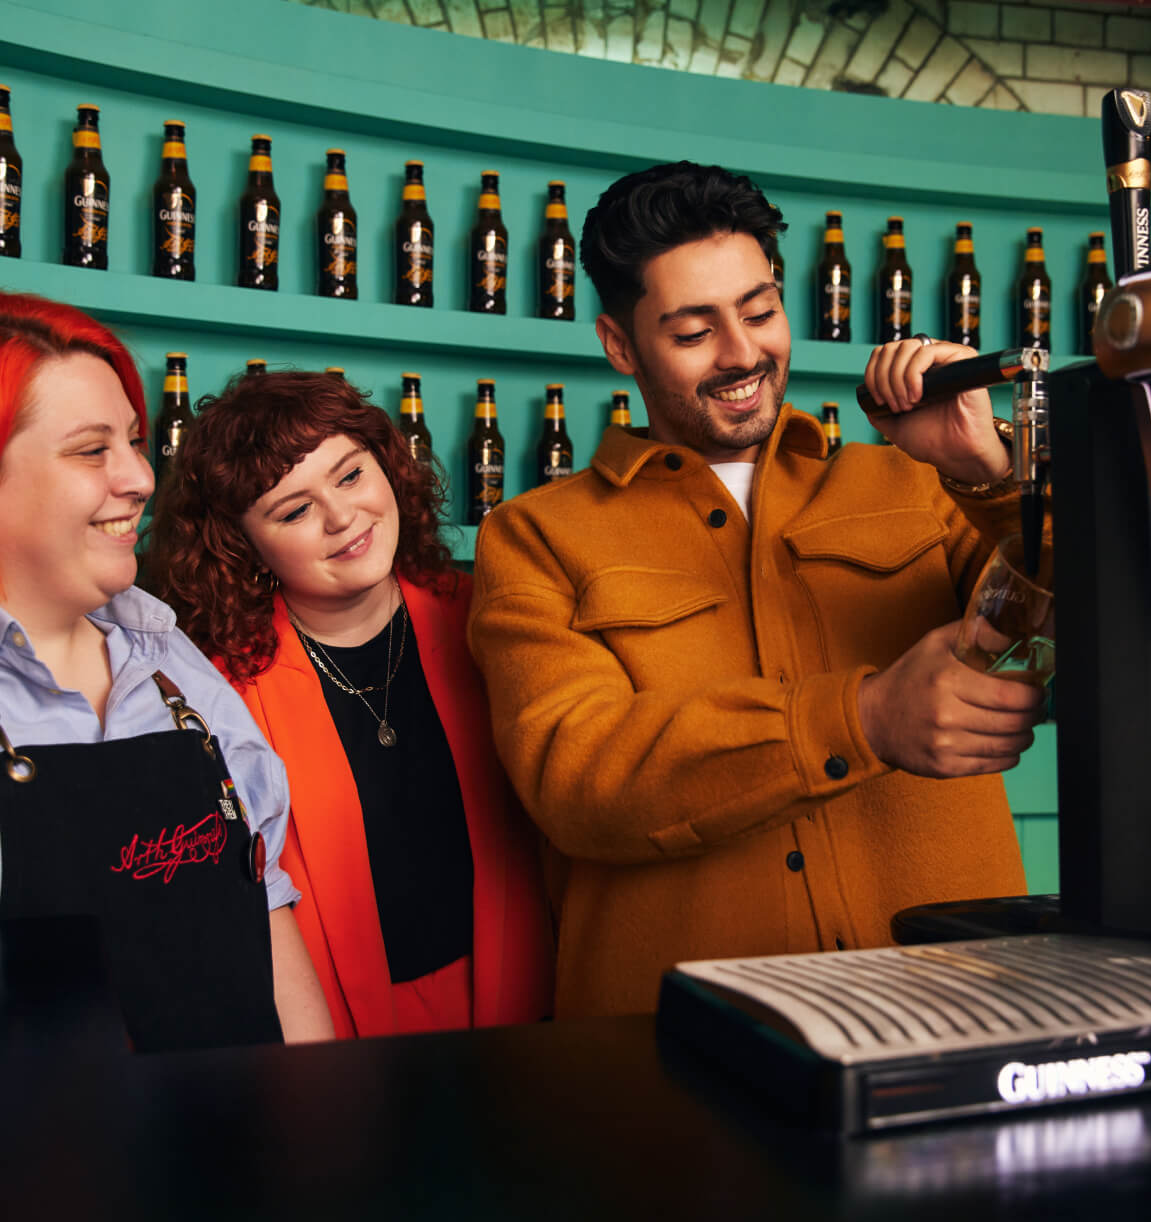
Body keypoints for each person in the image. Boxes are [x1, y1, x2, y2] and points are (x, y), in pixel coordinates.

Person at [467, 161, 1047, 1019]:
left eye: (760, 311)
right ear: (620, 345)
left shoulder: (918, 484)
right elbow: (577, 778)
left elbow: (1098, 646)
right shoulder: (535, 535)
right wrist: (863, 718)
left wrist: (990, 472)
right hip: (678, 1050)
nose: (743, 355)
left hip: (954, 1011)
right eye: (693, 330)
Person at [144, 371, 553, 1038]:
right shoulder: (219, 694)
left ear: (388, 468)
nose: (342, 518)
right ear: (243, 546)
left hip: (525, 1007)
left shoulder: (488, 619)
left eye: (350, 476)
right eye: (294, 511)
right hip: (334, 1041)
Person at [0, 291, 333, 1052]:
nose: (142, 480)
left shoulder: (169, 662)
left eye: (135, 443)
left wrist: (319, 1126)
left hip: (242, 1147)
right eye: (92, 450)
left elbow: (264, 908)